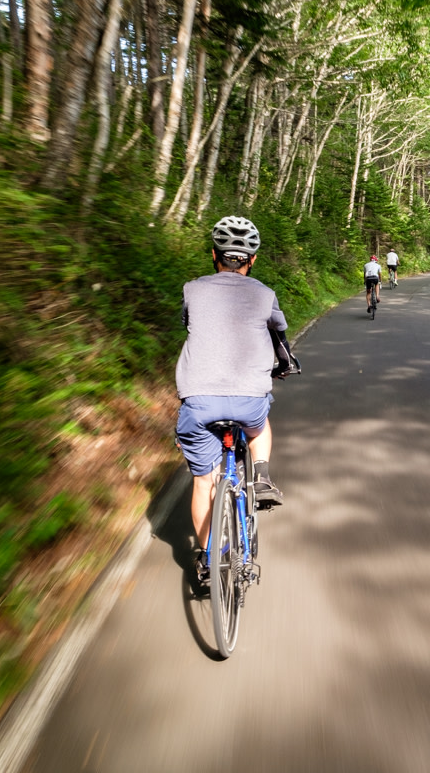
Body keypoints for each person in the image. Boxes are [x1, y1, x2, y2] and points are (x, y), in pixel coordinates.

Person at [175, 215, 297, 584]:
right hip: (248, 400)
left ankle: (211, 559)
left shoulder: (193, 289)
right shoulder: (264, 293)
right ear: (252, 259)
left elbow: (188, 322)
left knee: (203, 482)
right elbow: (279, 330)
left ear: (214, 254)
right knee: (258, 428)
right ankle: (260, 476)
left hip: (198, 401)